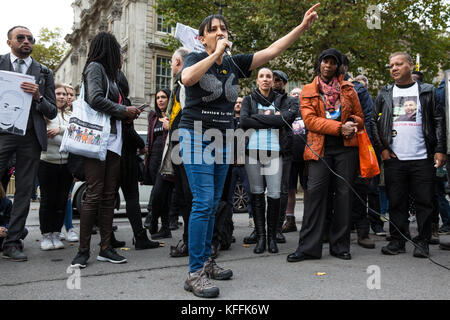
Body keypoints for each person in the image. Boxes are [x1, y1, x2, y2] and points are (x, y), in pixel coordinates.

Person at [179, 4, 319, 298]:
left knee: (214, 202)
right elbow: (188, 78)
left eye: (223, 29)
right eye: (213, 30)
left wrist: (301, 27)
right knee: (203, 202)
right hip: (195, 134)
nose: (220, 33)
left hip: (221, 137)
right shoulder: (196, 57)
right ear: (202, 38)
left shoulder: (235, 64)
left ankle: (207, 261)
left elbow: (271, 51)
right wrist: (216, 54)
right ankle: (194, 273)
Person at [70, 32, 142, 268]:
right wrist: (123, 111)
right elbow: (94, 99)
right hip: (97, 140)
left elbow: (111, 106)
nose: (121, 57)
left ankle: (105, 247)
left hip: (114, 140)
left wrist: (129, 115)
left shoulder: (112, 77)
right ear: (109, 51)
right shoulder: (95, 68)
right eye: (119, 52)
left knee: (109, 195)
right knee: (94, 193)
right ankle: (82, 251)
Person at [287, 48, 364, 263]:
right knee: (315, 196)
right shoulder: (308, 90)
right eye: (324, 61)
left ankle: (340, 246)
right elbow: (310, 121)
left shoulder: (348, 89)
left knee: (344, 196)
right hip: (319, 148)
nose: (328, 66)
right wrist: (340, 127)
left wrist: (353, 124)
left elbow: (360, 117)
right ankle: (308, 248)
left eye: (332, 62)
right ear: (319, 63)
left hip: (346, 148)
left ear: (338, 66)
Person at [370, 52, 446, 258]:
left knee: (425, 202)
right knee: (396, 202)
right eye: (391, 65)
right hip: (395, 159)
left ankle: (422, 242)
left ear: (410, 66)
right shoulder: (384, 93)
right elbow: (373, 124)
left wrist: (440, 149)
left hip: (422, 157)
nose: (394, 68)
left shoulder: (428, 91)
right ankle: (397, 241)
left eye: (399, 64)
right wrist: (382, 150)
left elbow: (439, 121)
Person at [0, 26, 57, 262]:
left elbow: (52, 109)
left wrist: (38, 97)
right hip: (3, 133)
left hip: (31, 137)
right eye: (21, 37)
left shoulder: (43, 72)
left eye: (30, 39)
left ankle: (12, 242)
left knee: (23, 191)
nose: (26, 41)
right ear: (9, 41)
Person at [240, 68, 297, 255]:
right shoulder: (249, 100)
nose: (265, 79)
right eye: (262, 76)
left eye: (269, 77)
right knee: (256, 194)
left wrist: (257, 118)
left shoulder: (282, 100)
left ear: (273, 81)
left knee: (274, 195)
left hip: (275, 153)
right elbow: (244, 122)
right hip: (253, 153)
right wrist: (273, 120)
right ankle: (261, 237)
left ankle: (272, 237)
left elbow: (287, 119)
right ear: (257, 80)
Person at [116, 71, 160, 250]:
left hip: (113, 156)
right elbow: (128, 132)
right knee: (132, 198)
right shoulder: (123, 103)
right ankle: (140, 237)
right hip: (125, 157)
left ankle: (108, 237)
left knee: (108, 199)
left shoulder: (109, 102)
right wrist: (141, 147)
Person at [341, 55, 378, 249]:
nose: (329, 67)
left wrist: (367, 149)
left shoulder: (358, 89)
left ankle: (363, 232)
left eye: (335, 63)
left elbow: (368, 118)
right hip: (332, 147)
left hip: (355, 145)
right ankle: (334, 231)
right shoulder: (320, 87)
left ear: (345, 67)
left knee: (358, 189)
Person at [159, 47, 193, 258]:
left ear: (179, 63)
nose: (170, 66)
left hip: (188, 146)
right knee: (181, 196)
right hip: (178, 146)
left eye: (172, 62)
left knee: (189, 196)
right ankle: (189, 240)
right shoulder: (178, 86)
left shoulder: (186, 84)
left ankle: (193, 242)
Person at [38, 84, 74, 251]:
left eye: (64, 94)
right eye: (58, 93)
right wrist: (66, 134)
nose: (61, 97)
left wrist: (60, 130)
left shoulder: (70, 115)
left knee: (61, 201)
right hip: (46, 162)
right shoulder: (44, 113)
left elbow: (77, 134)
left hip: (66, 164)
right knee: (47, 200)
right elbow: (46, 137)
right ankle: (46, 235)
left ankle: (56, 233)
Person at [143, 88, 173, 240]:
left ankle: (153, 221)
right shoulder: (152, 117)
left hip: (167, 160)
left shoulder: (172, 117)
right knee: (162, 196)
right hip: (153, 160)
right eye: (158, 97)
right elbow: (150, 138)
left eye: (163, 97)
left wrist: (171, 126)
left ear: (169, 99)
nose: (160, 100)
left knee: (158, 194)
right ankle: (165, 228)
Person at [282, 87, 308, 233]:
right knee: (289, 189)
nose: (297, 96)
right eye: (294, 94)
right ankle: (290, 220)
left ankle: (307, 219)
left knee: (307, 189)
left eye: (300, 94)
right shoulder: (287, 112)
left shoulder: (307, 111)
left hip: (306, 157)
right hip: (289, 157)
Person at [60, 84, 79, 243]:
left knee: (67, 196)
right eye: (66, 94)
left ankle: (69, 227)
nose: (69, 97)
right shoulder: (57, 113)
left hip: (71, 162)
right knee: (54, 197)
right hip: (55, 161)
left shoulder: (77, 113)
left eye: (72, 94)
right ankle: (57, 227)